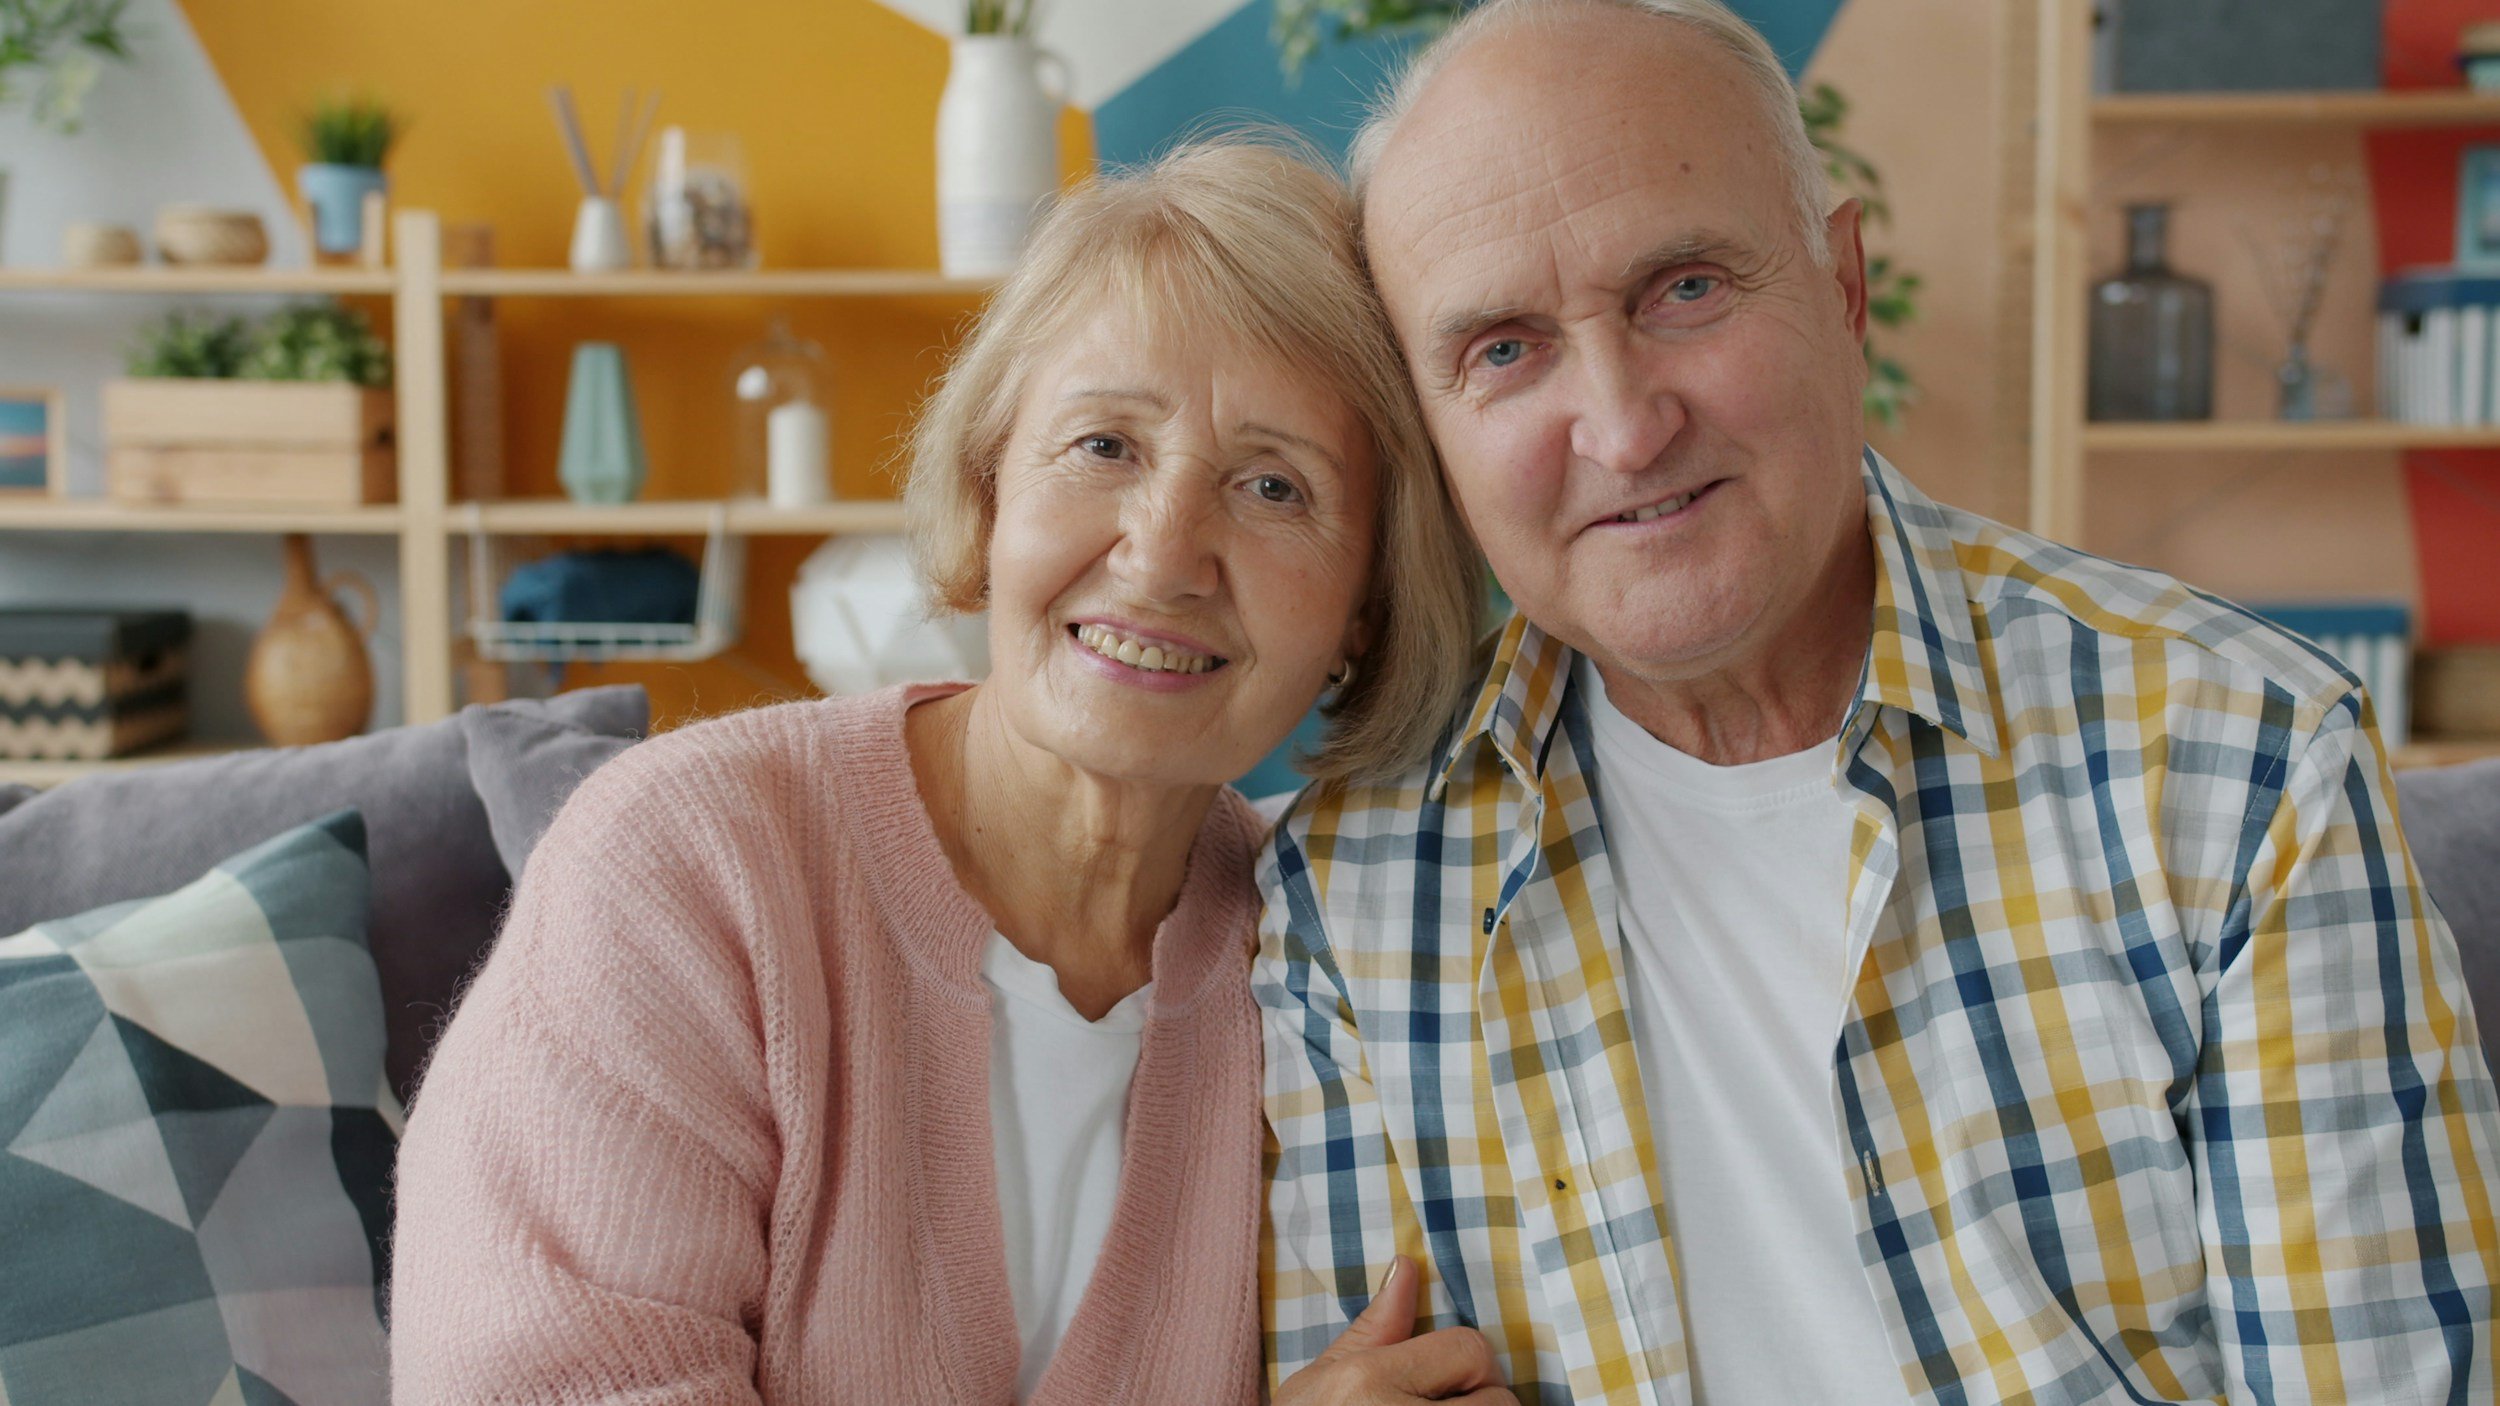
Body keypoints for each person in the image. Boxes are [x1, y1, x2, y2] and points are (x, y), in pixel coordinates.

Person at [1257, 2, 2500, 1402]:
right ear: (1432, 436)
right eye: (1502, 349)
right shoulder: (1354, 884)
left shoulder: (2240, 763)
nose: (1620, 423)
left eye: (1684, 289)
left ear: (1841, 289)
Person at [387, 137, 1486, 1403]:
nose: (1165, 550)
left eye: (1272, 483)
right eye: (1104, 447)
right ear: (987, 490)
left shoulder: (1333, 960)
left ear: (1367, 606)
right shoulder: (683, 860)